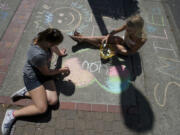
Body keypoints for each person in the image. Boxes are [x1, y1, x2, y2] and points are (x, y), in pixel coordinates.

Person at [1, 28, 70, 135]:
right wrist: (61, 70)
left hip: (43, 73)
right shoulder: (38, 55)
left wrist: (60, 54)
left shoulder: (44, 38)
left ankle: (26, 92)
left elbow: (53, 46)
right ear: (48, 42)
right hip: (32, 78)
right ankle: (12, 114)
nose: (55, 45)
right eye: (55, 43)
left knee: (53, 101)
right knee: (42, 108)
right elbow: (47, 73)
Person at [70, 14, 147, 56]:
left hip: (126, 49)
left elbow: (131, 51)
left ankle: (82, 39)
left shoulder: (141, 39)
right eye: (127, 28)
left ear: (137, 29)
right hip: (123, 41)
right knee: (104, 39)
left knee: (108, 47)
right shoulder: (128, 25)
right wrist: (107, 37)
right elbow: (114, 31)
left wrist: (119, 50)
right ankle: (83, 38)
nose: (126, 29)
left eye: (129, 30)